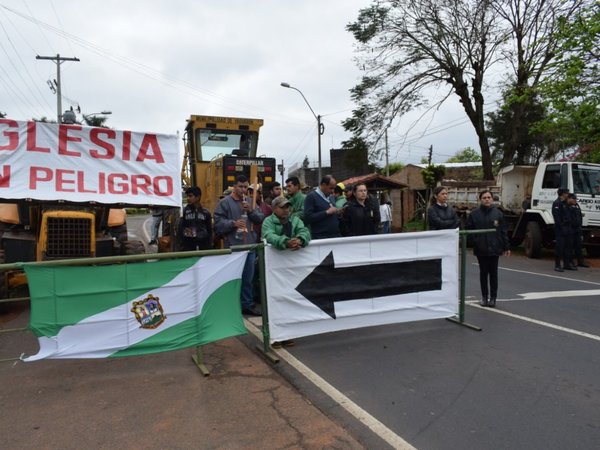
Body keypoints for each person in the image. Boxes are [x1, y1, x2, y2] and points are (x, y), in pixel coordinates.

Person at [262, 196, 311, 349]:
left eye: (288, 207)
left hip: (292, 268)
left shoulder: (295, 220)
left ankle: (288, 334)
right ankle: (276, 336)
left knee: (291, 298)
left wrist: (300, 240)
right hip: (274, 270)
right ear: (274, 208)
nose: (286, 210)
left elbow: (305, 231)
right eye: (283, 207)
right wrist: (285, 242)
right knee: (275, 299)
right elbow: (268, 236)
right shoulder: (267, 222)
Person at [214, 175, 265, 316]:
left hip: (249, 245)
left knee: (248, 278)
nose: (243, 190)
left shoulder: (251, 201)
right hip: (233, 247)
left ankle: (246, 304)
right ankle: (231, 304)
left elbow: (260, 218)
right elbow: (217, 224)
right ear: (234, 187)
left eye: (245, 187)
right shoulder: (225, 203)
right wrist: (233, 224)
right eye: (240, 186)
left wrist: (250, 211)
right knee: (232, 277)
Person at [466, 190, 511, 307]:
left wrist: (506, 247)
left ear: (492, 199)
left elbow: (503, 231)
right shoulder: (474, 214)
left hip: (495, 249)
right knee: (483, 274)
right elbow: (468, 231)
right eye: (484, 197)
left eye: (489, 197)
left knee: (493, 274)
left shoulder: (498, 214)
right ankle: (484, 297)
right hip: (481, 250)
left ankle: (493, 298)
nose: (487, 199)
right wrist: (475, 242)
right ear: (480, 199)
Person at [303, 175, 341, 239]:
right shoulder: (311, 197)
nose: (332, 191)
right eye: (331, 188)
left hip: (334, 236)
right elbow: (307, 218)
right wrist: (326, 212)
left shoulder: (331, 197)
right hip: (321, 238)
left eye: (334, 188)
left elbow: (332, 214)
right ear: (323, 185)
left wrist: (338, 212)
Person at [178, 187, 213, 251]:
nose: (188, 198)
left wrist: (210, 243)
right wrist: (191, 233)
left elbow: (209, 230)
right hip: (188, 246)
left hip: (204, 244)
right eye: (187, 196)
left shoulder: (206, 212)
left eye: (190, 196)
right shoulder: (183, 212)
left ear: (198, 197)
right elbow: (180, 229)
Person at [552, 188, 575, 272]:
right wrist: (562, 228)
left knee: (568, 247)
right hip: (561, 229)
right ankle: (557, 265)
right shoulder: (557, 203)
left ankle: (567, 264)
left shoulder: (566, 203)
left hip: (568, 228)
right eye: (566, 193)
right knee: (560, 247)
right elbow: (557, 218)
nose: (568, 195)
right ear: (562, 194)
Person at [567, 193, 590, 268]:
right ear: (569, 199)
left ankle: (580, 262)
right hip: (571, 229)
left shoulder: (577, 206)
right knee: (570, 247)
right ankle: (570, 262)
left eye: (575, 199)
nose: (575, 200)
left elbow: (580, 216)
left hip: (578, 228)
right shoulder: (567, 207)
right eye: (573, 199)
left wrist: (580, 226)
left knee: (578, 246)